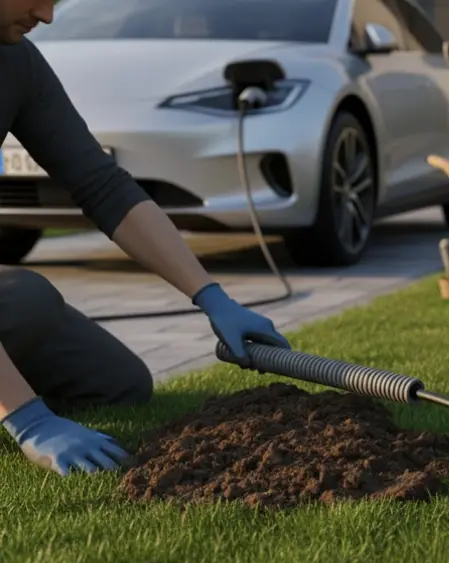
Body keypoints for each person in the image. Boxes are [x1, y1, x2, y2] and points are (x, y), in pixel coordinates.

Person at [0, 0, 289, 477]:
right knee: (26, 301)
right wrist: (29, 420)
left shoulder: (17, 62)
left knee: (116, 380)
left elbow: (102, 186)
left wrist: (211, 296)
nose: (48, 15)